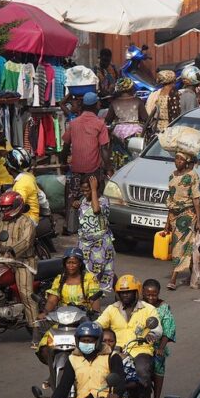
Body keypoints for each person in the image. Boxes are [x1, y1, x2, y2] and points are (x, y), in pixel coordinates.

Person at [0, 190, 38, 345]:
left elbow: (26, 241)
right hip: (4, 260)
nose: (4, 210)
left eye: (7, 207)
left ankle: (35, 330)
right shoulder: (1, 221)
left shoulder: (27, 222)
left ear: (16, 206)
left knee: (26, 293)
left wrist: (12, 250)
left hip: (23, 261)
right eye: (2, 207)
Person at [96, 275, 162, 398]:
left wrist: (152, 334)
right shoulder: (111, 309)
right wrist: (90, 329)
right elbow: (99, 323)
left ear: (136, 292)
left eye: (129, 292)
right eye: (122, 292)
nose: (125, 295)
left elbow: (157, 328)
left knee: (142, 371)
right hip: (115, 350)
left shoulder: (148, 309)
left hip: (140, 350)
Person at [36, 248, 102, 366]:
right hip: (63, 319)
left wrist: (96, 313)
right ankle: (53, 372)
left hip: (83, 320)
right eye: (68, 263)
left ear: (80, 264)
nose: (71, 266)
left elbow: (94, 300)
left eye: (74, 263)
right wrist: (45, 312)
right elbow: (52, 300)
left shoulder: (89, 278)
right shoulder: (60, 279)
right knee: (45, 348)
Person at [61, 91, 111, 232]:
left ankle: (69, 226)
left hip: (76, 169)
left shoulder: (74, 123)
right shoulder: (100, 124)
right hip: (93, 170)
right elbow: (104, 149)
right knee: (94, 196)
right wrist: (109, 168)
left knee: (72, 197)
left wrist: (63, 162)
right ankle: (94, 225)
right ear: (96, 105)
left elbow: (65, 146)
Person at [44, 321, 124, 398]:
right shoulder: (72, 359)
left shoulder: (112, 357)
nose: (86, 343)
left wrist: (116, 395)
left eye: (89, 341)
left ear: (98, 341)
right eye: (83, 341)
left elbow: (120, 382)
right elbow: (64, 386)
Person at [161, 151, 200, 290]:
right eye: (176, 158)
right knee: (184, 247)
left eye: (181, 159)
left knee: (179, 247)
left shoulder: (192, 176)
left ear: (186, 162)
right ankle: (194, 275)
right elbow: (171, 199)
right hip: (174, 217)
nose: (178, 161)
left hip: (187, 216)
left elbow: (196, 199)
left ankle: (173, 278)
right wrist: (167, 222)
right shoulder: (172, 175)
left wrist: (199, 221)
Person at [76, 175, 114, 293]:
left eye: (87, 190)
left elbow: (96, 210)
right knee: (83, 268)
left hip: (100, 242)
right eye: (83, 191)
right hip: (84, 242)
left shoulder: (103, 201)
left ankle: (94, 294)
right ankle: (87, 293)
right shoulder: (83, 200)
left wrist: (93, 190)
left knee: (98, 269)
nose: (85, 193)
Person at [141, 279, 176, 398]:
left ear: (158, 293)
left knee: (158, 365)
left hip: (157, 345)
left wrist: (161, 348)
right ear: (142, 293)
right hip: (139, 344)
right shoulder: (138, 305)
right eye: (148, 295)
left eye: (154, 295)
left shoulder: (163, 308)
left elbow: (168, 329)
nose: (151, 297)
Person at [105, 78, 148, 169]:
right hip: (135, 133)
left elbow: (108, 119)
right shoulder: (138, 101)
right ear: (131, 88)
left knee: (120, 158)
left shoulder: (114, 102)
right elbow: (145, 118)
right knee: (136, 157)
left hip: (118, 134)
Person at [145, 71, 181, 136]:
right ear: (173, 80)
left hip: (157, 127)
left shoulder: (156, 94)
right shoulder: (175, 94)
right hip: (171, 126)